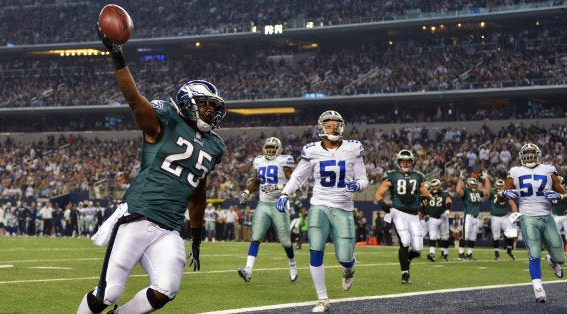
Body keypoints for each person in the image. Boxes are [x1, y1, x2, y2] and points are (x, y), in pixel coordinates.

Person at [77, 25, 226, 314]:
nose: (211, 111)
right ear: (188, 103)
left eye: (213, 107)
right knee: (108, 293)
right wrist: (117, 55)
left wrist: (196, 234)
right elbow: (134, 99)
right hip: (137, 216)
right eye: (206, 105)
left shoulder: (214, 145)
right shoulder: (165, 120)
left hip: (168, 228)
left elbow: (198, 193)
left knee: (166, 289)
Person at [275, 111, 368, 312]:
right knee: (315, 250)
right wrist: (285, 193)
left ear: (342, 127)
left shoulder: (353, 148)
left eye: (336, 124)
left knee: (344, 256)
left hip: (343, 208)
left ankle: (349, 267)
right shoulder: (311, 150)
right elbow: (298, 177)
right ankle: (322, 299)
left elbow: (363, 179)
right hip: (319, 205)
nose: (333, 127)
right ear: (321, 127)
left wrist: (357, 186)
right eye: (329, 124)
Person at [500, 143, 567, 303]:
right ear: (521, 156)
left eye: (532, 153)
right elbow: (503, 193)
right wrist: (502, 195)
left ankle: (552, 261)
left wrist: (560, 197)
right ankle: (538, 288)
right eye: (527, 153)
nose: (530, 156)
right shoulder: (515, 171)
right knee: (534, 253)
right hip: (528, 217)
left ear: (538, 154)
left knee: (561, 258)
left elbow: (563, 192)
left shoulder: (548, 169)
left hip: (547, 216)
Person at [237, 137, 298, 283]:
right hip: (263, 204)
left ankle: (292, 264)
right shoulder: (259, 161)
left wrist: (276, 187)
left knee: (285, 242)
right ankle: (248, 270)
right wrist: (247, 192)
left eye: (273, 148)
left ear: (279, 149)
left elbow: (294, 183)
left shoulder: (284, 161)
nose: (270, 150)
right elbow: (256, 182)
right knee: (256, 237)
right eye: (268, 147)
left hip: (279, 203)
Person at [374, 149, 432, 284]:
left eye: (408, 161)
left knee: (418, 249)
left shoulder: (418, 176)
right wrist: (383, 205)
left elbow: (428, 194)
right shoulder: (392, 175)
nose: (406, 164)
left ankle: (407, 258)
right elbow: (378, 195)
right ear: (399, 162)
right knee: (405, 241)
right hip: (398, 212)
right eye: (403, 161)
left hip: (413, 215)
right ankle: (405, 274)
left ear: (412, 162)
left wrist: (426, 199)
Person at [455, 175, 491, 260]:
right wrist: (460, 179)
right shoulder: (466, 191)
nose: (474, 186)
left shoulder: (478, 192)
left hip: (476, 217)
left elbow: (487, 190)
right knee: (465, 235)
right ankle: (461, 253)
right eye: (473, 184)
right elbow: (458, 191)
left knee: (473, 237)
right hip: (468, 216)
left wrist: (486, 179)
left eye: (475, 184)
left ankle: (469, 254)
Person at [422, 178, 453, 262]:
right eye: (432, 187)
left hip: (443, 218)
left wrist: (447, 211)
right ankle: (432, 253)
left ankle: (445, 254)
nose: (434, 188)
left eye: (435, 186)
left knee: (445, 237)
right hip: (432, 218)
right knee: (433, 236)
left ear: (439, 186)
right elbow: (424, 206)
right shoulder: (428, 195)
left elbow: (449, 202)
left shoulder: (444, 194)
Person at [489, 179, 517, 260]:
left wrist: (515, 214)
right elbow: (486, 192)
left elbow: (512, 204)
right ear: (495, 186)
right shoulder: (492, 192)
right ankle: (496, 254)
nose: (500, 188)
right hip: (495, 217)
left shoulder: (507, 193)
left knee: (511, 234)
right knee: (496, 237)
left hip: (504, 216)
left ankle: (509, 251)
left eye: (501, 186)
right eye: (498, 186)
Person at [550, 176, 567, 266]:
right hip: (556, 216)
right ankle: (556, 257)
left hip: (566, 216)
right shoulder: (550, 191)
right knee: (555, 237)